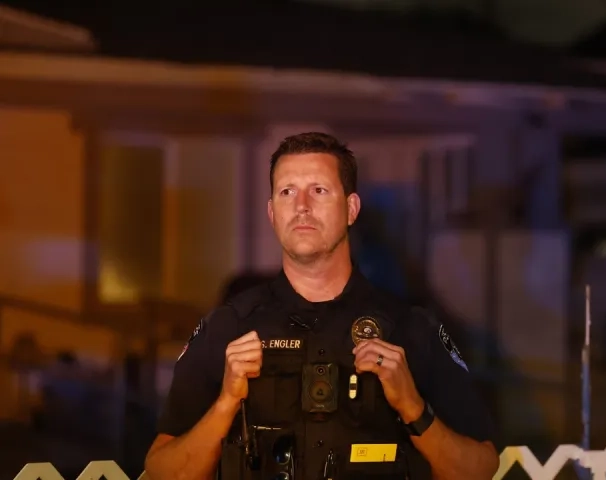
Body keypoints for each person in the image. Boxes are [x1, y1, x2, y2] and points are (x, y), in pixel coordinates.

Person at [143, 132, 499, 480]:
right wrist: (225, 404)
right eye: (287, 192)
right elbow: (162, 472)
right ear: (271, 212)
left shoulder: (411, 329)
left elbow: (480, 469)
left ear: (351, 208)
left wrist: (413, 407)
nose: (301, 206)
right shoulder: (228, 328)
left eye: (319, 190)